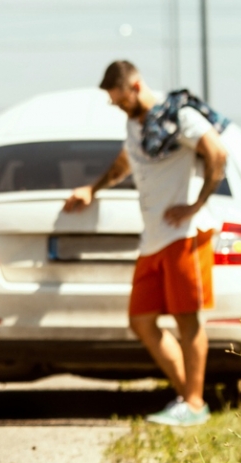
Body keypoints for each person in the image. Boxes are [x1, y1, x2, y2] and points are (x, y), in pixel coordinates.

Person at [63, 60, 228, 427]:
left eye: (119, 99)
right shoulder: (135, 125)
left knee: (188, 320)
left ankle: (195, 403)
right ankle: (190, 398)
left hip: (184, 236)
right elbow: (126, 163)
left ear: (135, 86)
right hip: (153, 239)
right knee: (141, 321)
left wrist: (196, 205)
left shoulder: (179, 116)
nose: (117, 106)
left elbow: (217, 154)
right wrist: (92, 188)